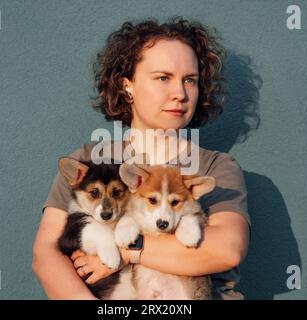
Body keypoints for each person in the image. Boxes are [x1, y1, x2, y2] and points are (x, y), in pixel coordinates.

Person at [32, 17, 250, 300]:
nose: (180, 94)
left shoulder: (215, 167)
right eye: (163, 78)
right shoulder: (89, 162)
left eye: (190, 80)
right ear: (128, 87)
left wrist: (127, 251)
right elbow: (46, 254)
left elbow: (226, 250)